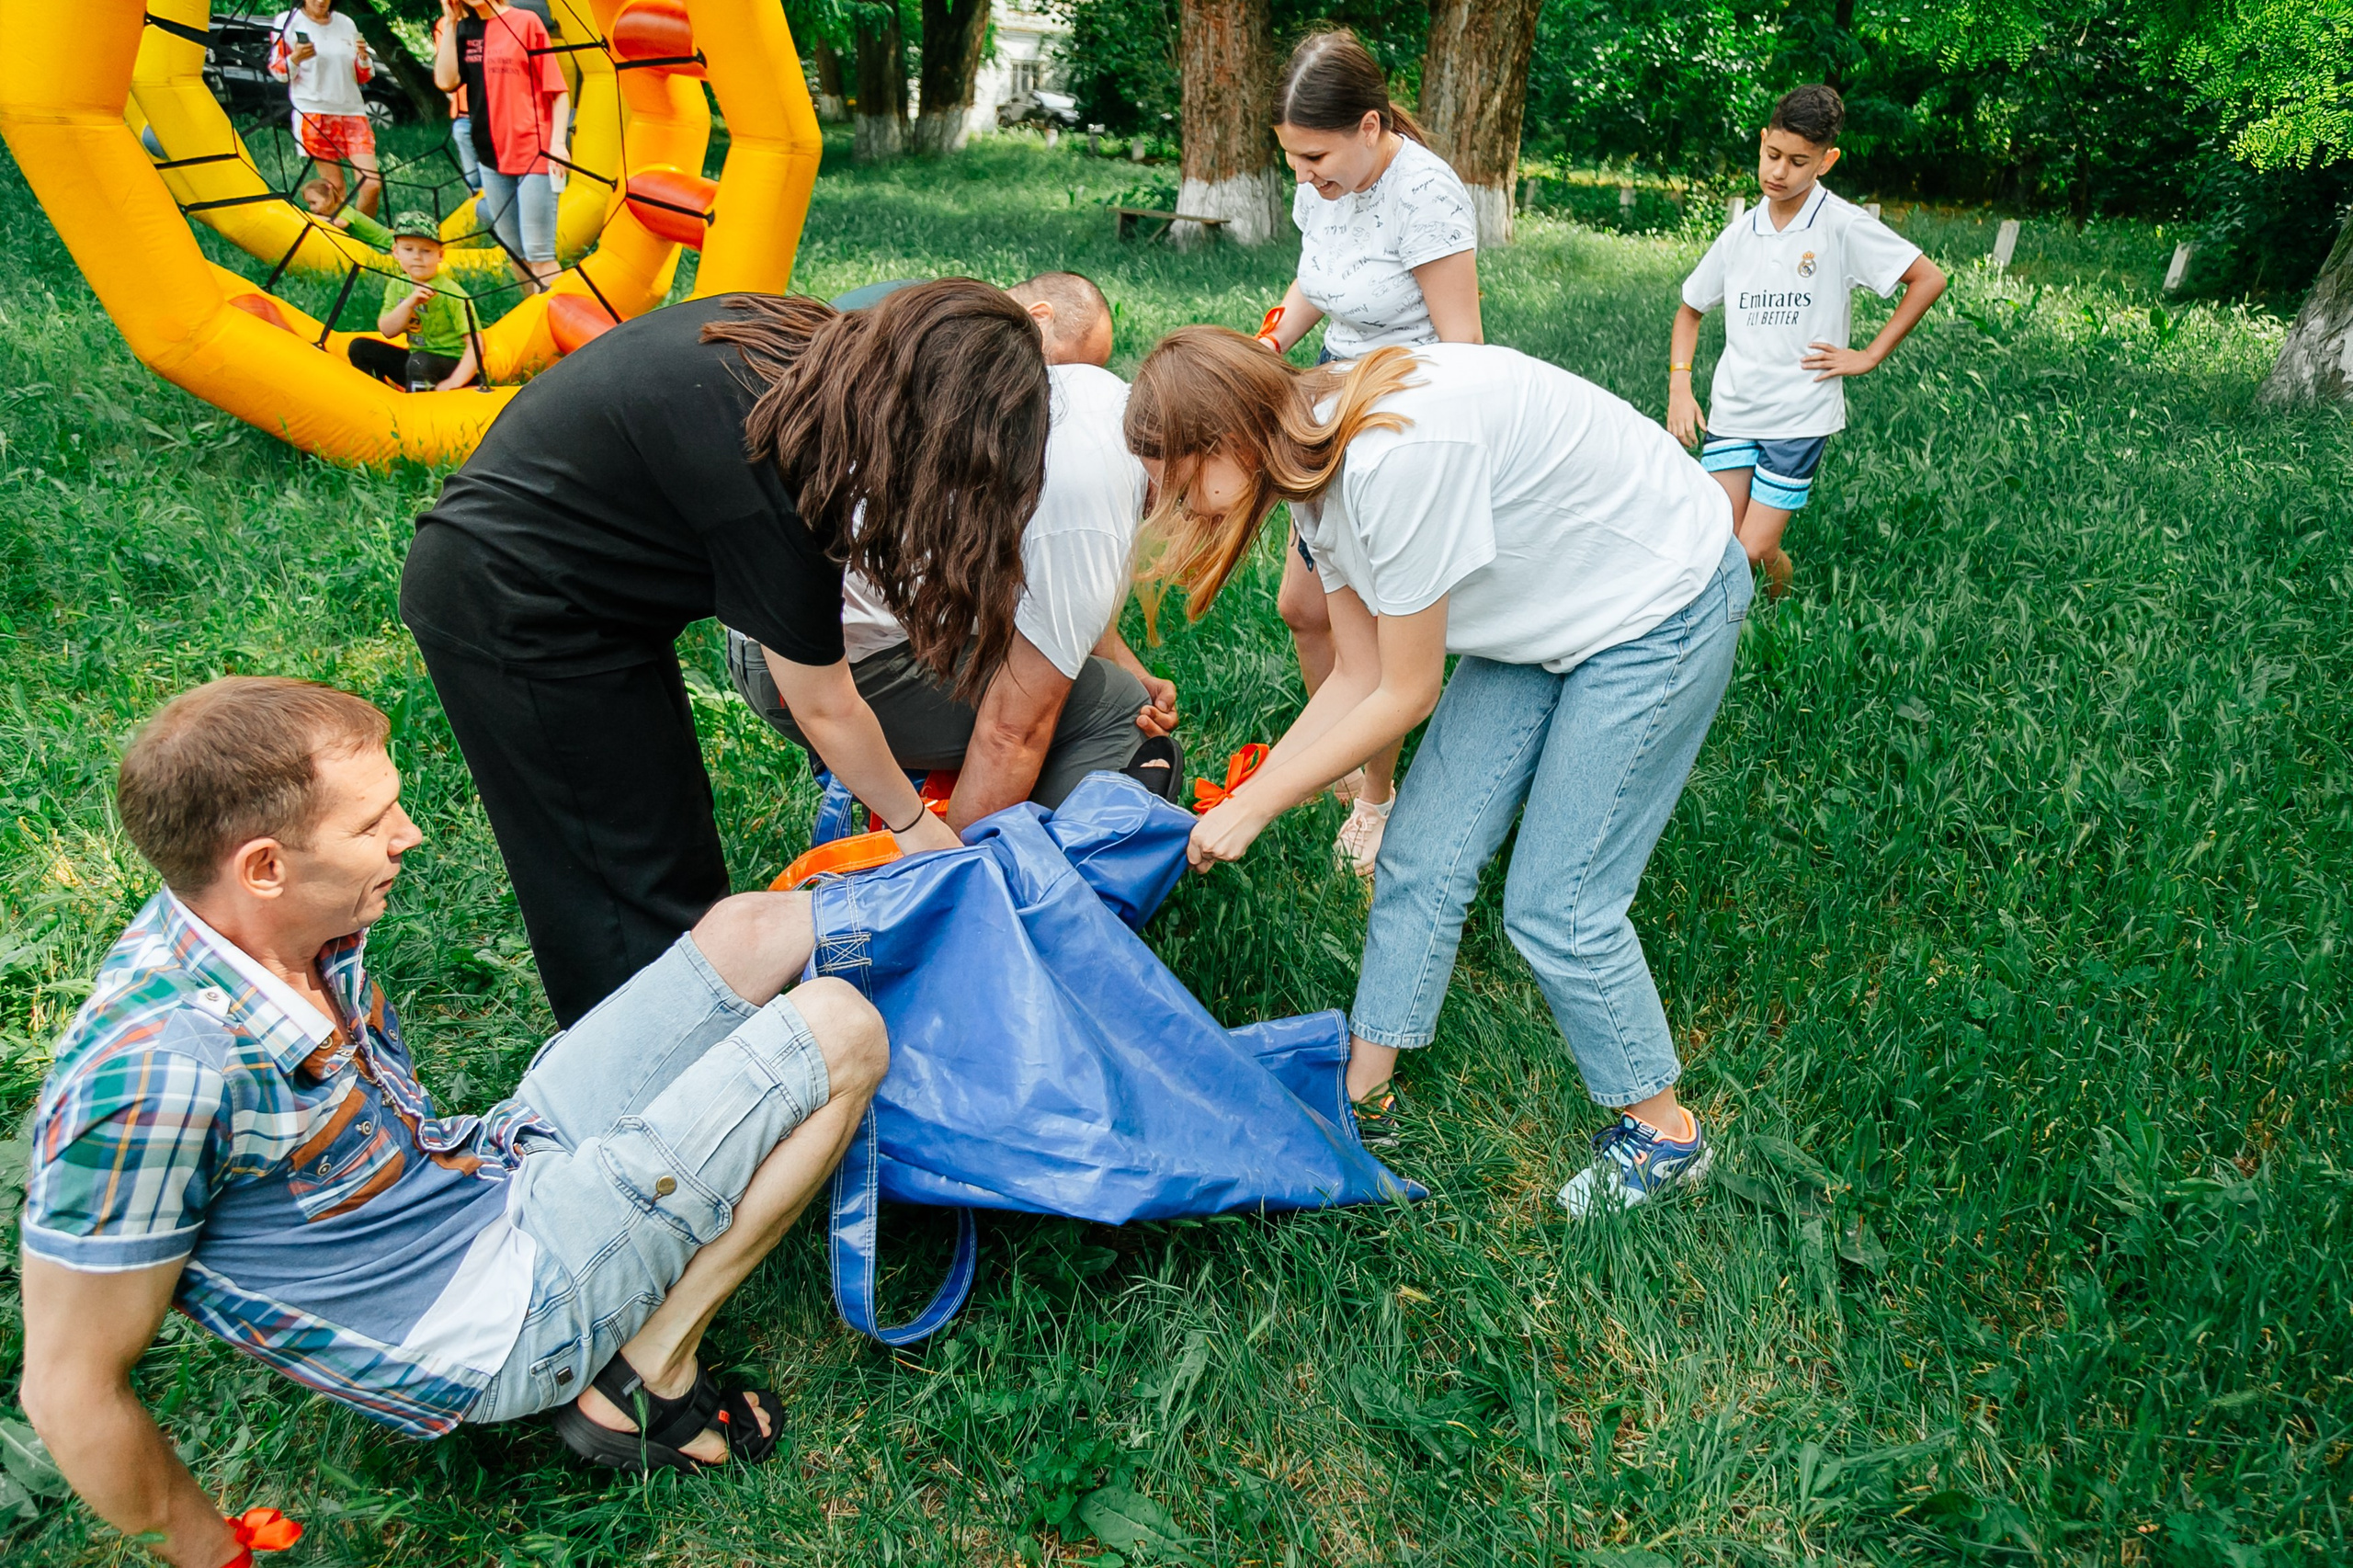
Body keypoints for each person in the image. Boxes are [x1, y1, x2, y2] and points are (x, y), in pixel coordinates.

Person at [19, 678, 887, 1566]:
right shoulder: (154, 1082)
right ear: (265, 867)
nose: (410, 837)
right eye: (371, 827)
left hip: (491, 1169)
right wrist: (217, 1557)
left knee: (750, 930)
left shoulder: (252, 921)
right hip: (502, 1318)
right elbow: (68, 1385)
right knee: (841, 1030)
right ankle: (649, 1377)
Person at [1124, 327, 1747, 1218]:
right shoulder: (1308, 462)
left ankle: (1666, 1136)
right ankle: (1366, 1089)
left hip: (1657, 600)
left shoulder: (1391, 459)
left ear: (1226, 440)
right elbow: (1354, 673)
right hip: (1550, 606)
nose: (1177, 504)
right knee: (1421, 851)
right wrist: (1247, 795)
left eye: (1180, 482)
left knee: (1558, 904)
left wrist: (1259, 803)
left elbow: (1406, 691)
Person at [399, 280, 1051, 1028]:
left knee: (670, 836)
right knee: (618, 884)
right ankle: (640, 1087)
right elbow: (825, 704)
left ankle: (704, 1036)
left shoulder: (801, 348)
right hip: (509, 606)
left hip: (588, 596)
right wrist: (912, 827)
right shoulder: (774, 472)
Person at [727, 271, 1180, 830]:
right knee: (1108, 706)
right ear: (1037, 322)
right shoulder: (1065, 464)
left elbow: (1041, 574)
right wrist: (954, 873)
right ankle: (1015, 868)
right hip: (814, 662)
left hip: (774, 629)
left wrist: (1124, 661)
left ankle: (883, 787)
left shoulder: (1030, 377)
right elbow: (1011, 733)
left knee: (1079, 682)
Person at [1256, 29, 1482, 877]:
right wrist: (1270, 343)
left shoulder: (1425, 194)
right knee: (1302, 607)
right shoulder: (1323, 184)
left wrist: (1393, 427)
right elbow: (1316, 280)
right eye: (1291, 160)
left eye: (1316, 155)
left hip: (1402, 411)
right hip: (1326, 392)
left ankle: (1378, 797)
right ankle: (1344, 756)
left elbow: (1462, 343)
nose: (1305, 176)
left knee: (1376, 634)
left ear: (1371, 125)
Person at [1666, 85, 1947, 597]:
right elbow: (1689, 310)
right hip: (1733, 410)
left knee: (1753, 550)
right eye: (1772, 155)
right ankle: (1742, 622)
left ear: (1827, 160)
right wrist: (1679, 388)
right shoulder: (1739, 233)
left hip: (1798, 416)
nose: (1779, 172)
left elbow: (1928, 278)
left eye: (1798, 161)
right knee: (1720, 542)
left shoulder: (1841, 225)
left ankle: (1782, 608)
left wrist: (1869, 354)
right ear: (1761, 142)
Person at [434, 0, 570, 290]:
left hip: (535, 151)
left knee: (540, 254)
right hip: (490, 157)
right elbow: (446, 81)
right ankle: (532, 317)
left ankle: (565, 325)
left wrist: (558, 143)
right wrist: (450, 21)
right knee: (516, 254)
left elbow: (558, 91)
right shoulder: (464, 30)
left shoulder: (526, 22)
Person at [268, 0, 382, 219]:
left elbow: (362, 76)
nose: (321, 1)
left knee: (371, 184)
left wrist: (363, 58)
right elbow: (279, 73)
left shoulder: (345, 23)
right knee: (334, 189)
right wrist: (296, 58)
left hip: (353, 112)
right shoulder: (287, 21)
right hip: (315, 113)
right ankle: (343, 243)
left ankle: (365, 235)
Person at [347, 211, 481, 392]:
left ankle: (419, 408)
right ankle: (376, 398)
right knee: (360, 348)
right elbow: (387, 330)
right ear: (396, 252)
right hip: (415, 362)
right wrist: (410, 303)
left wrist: (455, 381)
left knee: (420, 361)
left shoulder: (452, 293)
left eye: (426, 251)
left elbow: (476, 344)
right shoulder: (397, 285)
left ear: (440, 255)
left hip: (451, 366)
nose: (417, 257)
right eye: (408, 249)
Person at [300, 174, 392, 249]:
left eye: (313, 203)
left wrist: (310, 217)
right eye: (309, 204)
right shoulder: (327, 212)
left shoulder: (345, 209)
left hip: (385, 241)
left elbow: (342, 223)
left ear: (328, 198)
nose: (311, 208)